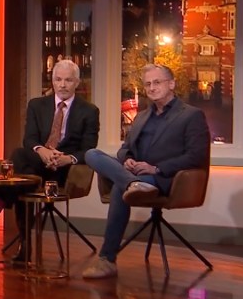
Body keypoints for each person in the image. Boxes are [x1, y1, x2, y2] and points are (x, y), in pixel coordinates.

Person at [0, 60, 100, 262]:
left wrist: (66, 159)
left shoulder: (89, 111)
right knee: (21, 160)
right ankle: (22, 243)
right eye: (58, 79)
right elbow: (30, 140)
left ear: (77, 82)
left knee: (21, 174)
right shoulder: (36, 105)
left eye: (68, 80)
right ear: (52, 80)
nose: (62, 85)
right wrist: (42, 151)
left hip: (64, 172)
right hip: (37, 164)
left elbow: (89, 149)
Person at [82, 64, 210, 279]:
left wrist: (156, 168)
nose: (151, 88)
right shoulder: (141, 116)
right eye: (147, 84)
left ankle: (107, 259)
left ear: (171, 84)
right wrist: (128, 160)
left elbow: (196, 156)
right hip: (137, 175)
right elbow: (125, 149)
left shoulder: (191, 115)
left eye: (157, 82)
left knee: (120, 188)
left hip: (164, 178)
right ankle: (131, 182)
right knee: (92, 154)